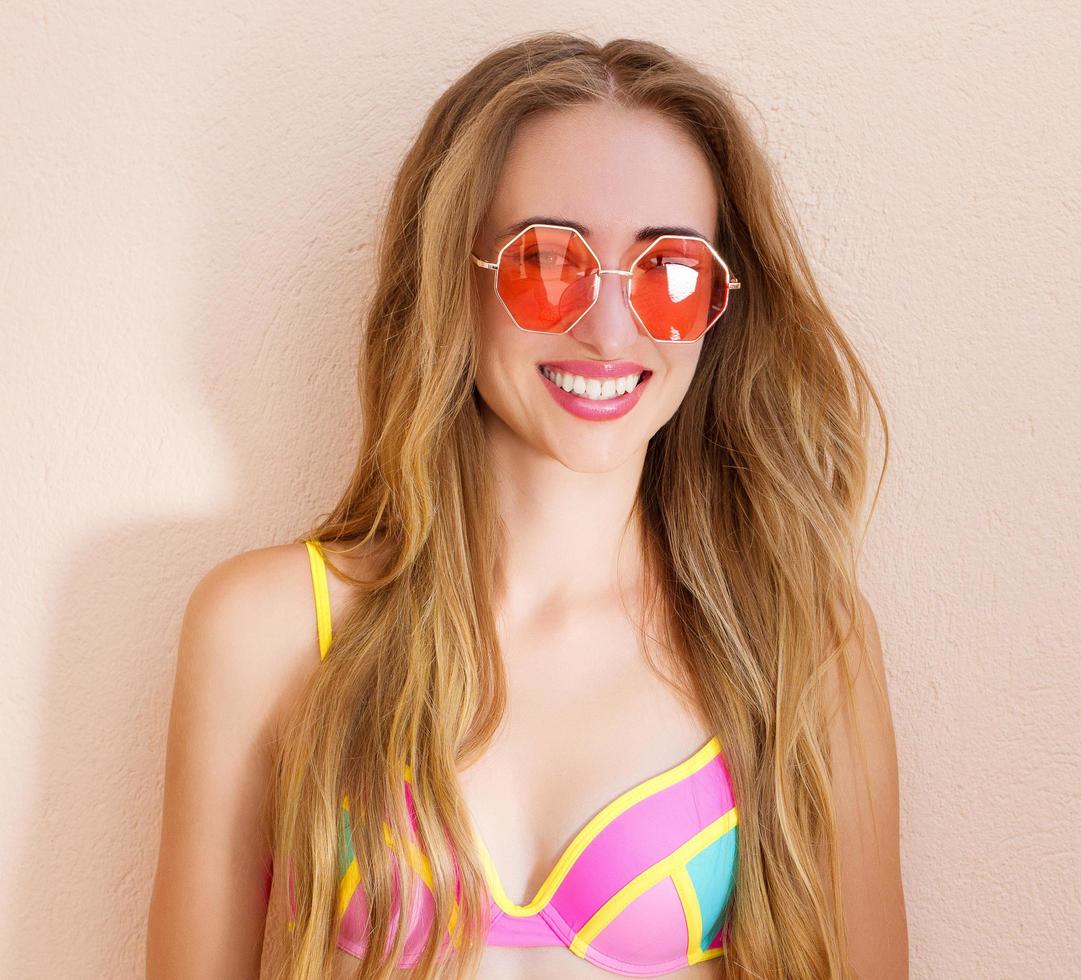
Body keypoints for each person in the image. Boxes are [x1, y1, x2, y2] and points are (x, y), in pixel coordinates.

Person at [147, 31, 906, 980]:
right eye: (549, 261)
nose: (610, 328)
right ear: (451, 277)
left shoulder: (804, 643)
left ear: (719, 304)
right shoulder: (263, 629)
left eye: (670, 272)